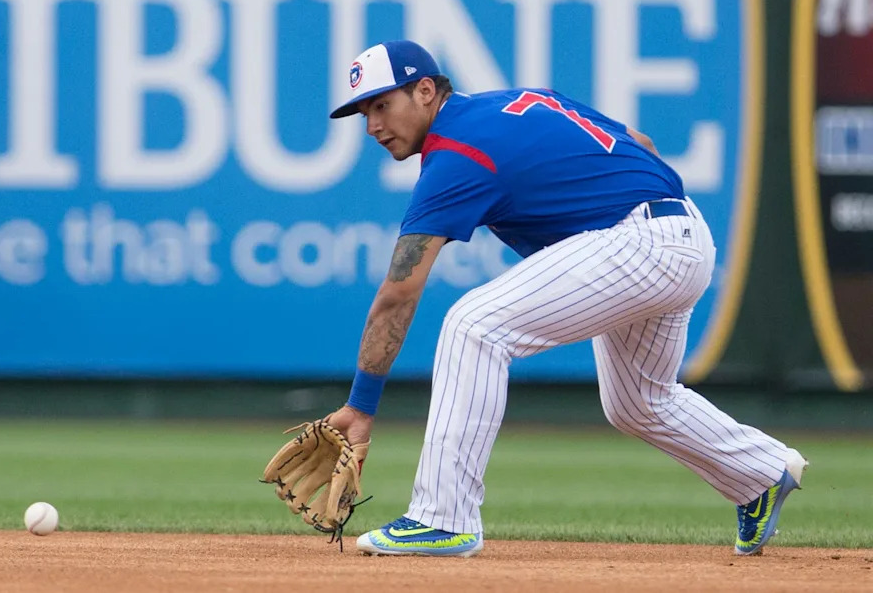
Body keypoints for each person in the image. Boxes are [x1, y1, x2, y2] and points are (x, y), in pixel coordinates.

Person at [323, 40, 807, 558]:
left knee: (474, 325)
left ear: (424, 90)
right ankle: (760, 473)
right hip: (683, 233)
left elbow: (398, 293)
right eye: (362, 112)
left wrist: (362, 404)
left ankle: (443, 518)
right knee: (638, 402)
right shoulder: (514, 101)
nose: (372, 125)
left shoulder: (455, 154)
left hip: (642, 242)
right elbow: (640, 142)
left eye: (381, 105)